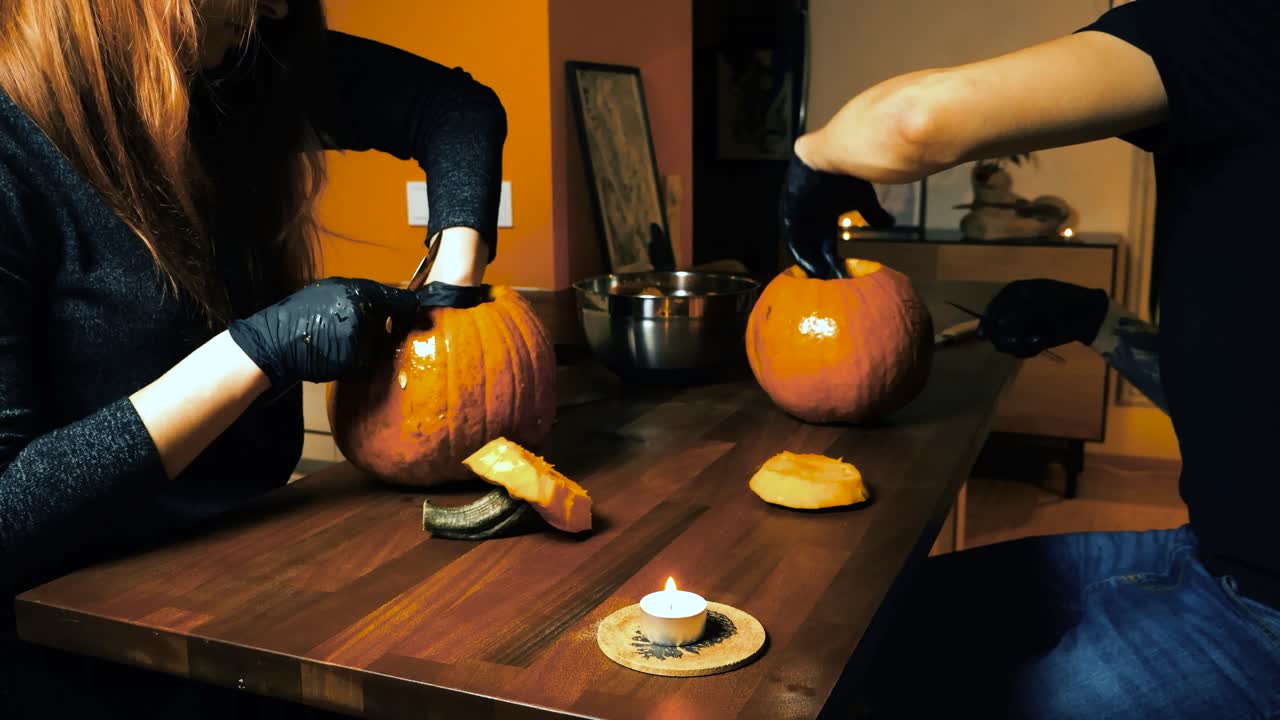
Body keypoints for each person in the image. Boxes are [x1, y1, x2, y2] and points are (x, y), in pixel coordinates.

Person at [0, 0, 505, 716]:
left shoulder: (232, 66)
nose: (277, 6)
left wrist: (453, 280)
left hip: (260, 588)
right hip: (85, 652)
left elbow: (456, 108)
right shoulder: (12, 156)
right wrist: (254, 352)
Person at [780, 1, 1280, 717]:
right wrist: (1099, 323)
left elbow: (910, 123)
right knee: (841, 644)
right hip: (1205, 560)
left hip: (1261, 623)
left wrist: (814, 156)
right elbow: (1250, 404)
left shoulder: (1244, 22)